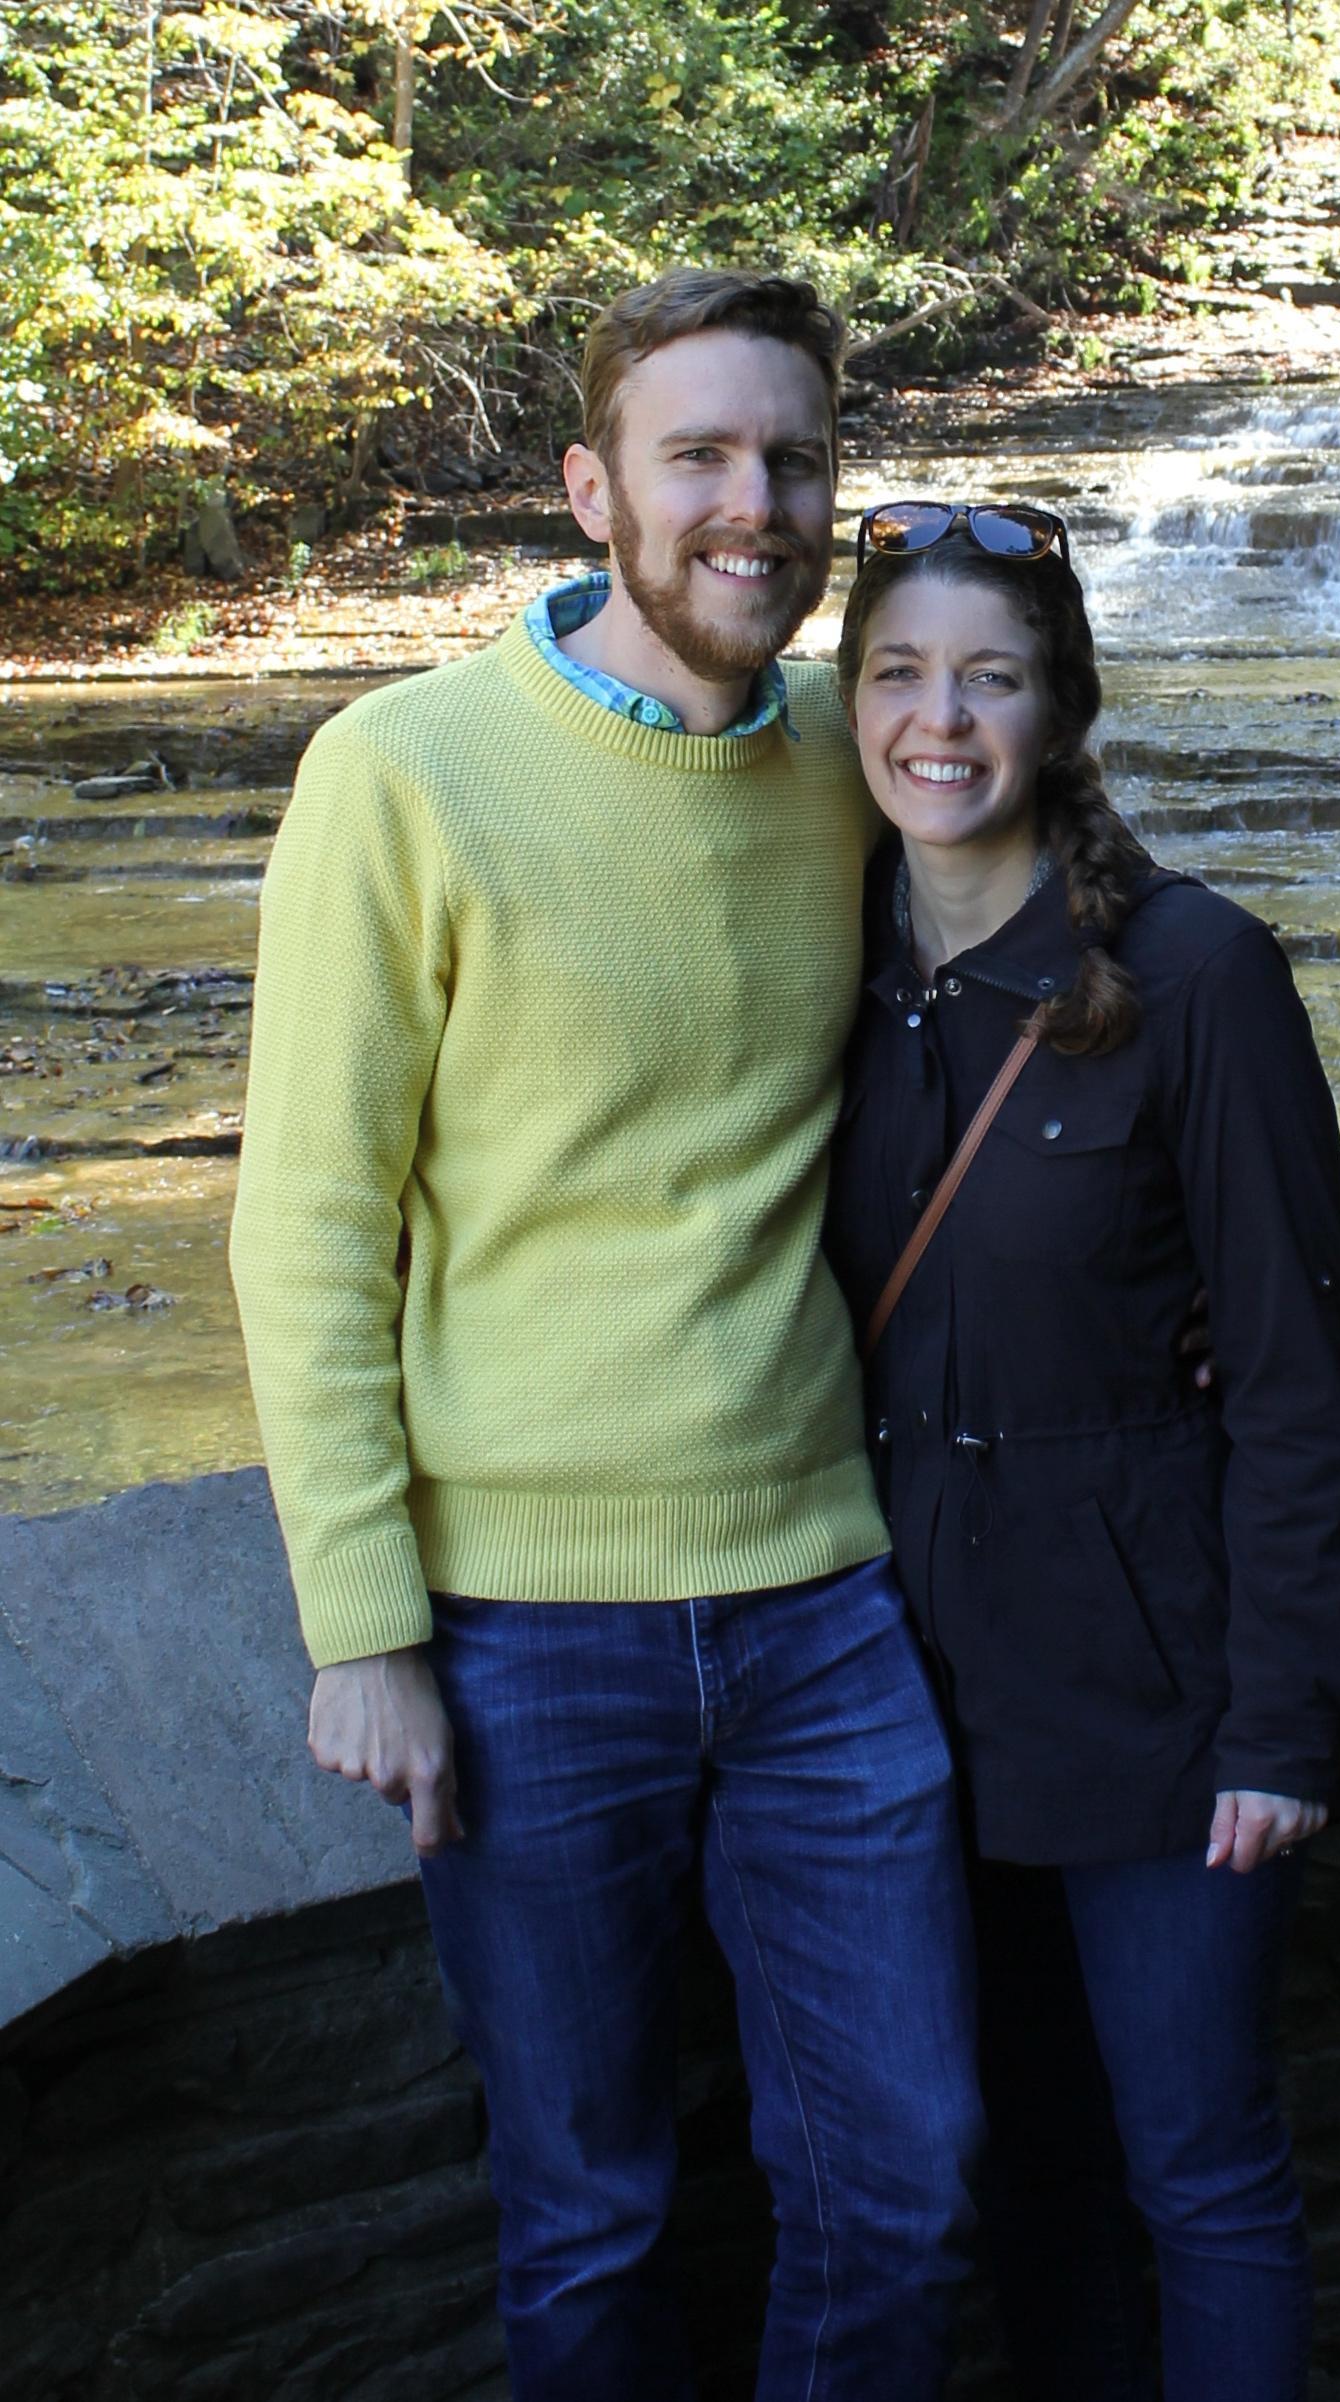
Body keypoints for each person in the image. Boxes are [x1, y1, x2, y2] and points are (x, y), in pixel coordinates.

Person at [227, 271, 981, 2402]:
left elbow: (1053, 1006)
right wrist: (361, 1619)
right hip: (519, 1629)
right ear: (591, 492)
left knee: (909, 2179)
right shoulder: (405, 773)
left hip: (827, 1600)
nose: (759, 503)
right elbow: (305, 1218)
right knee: (592, 2218)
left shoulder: (863, 759)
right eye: (702, 457)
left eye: (798, 458)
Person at [823, 500, 1340, 2401]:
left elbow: (1297, 1379)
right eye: (899, 672)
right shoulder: (830, 977)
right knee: (1030, 2175)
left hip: (1158, 1703)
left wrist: (1279, 1724)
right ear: (850, 699)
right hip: (902, 1703)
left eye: (990, 676)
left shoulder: (1197, 975)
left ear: (1061, 710)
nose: (939, 719)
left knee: (1200, 2174)